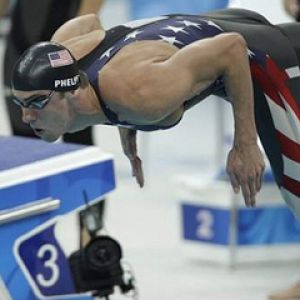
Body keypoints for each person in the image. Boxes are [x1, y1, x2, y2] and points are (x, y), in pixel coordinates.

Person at [10, 8, 300, 216]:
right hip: (224, 21)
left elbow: (232, 48)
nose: (27, 117)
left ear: (71, 92)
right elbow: (89, 23)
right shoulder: (66, 48)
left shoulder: (141, 94)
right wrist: (124, 121)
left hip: (262, 58)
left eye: (36, 103)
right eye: (20, 104)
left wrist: (246, 144)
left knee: (296, 191)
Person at [1, 0, 104, 144]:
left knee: (77, 133)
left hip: (67, 37)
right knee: (24, 133)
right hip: (19, 40)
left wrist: (81, 36)